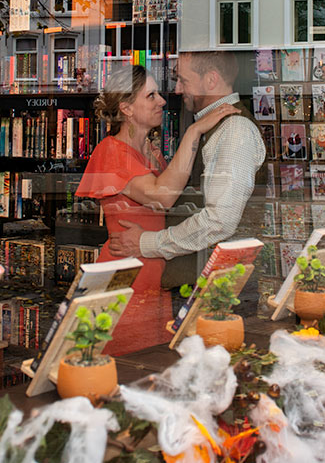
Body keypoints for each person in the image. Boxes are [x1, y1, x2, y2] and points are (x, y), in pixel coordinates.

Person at [75, 64, 237, 354]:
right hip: (126, 274)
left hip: (150, 269)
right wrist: (195, 131)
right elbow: (163, 197)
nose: (162, 100)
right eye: (151, 96)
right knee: (128, 363)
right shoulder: (112, 152)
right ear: (126, 108)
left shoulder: (147, 150)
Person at [111, 51, 266, 283]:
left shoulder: (235, 130)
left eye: (183, 80)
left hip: (220, 290)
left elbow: (219, 220)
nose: (177, 90)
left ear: (211, 80)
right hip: (204, 282)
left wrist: (149, 243)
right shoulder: (215, 127)